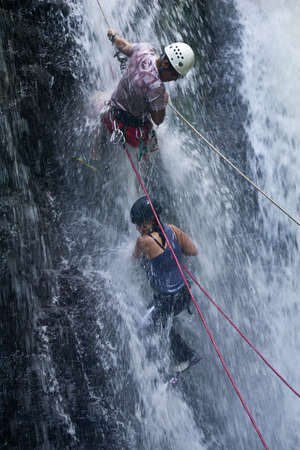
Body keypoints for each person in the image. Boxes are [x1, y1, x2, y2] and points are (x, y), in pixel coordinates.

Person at [91, 30, 195, 160]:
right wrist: (164, 101)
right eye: (175, 75)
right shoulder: (157, 88)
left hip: (111, 114)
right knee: (150, 140)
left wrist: (114, 37)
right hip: (131, 132)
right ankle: (144, 161)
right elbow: (158, 119)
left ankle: (94, 154)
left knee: (96, 98)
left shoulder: (144, 50)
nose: (174, 80)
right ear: (165, 64)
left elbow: (124, 46)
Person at [131, 196, 199, 368]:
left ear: (151, 220)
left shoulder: (143, 241)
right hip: (185, 295)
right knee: (161, 323)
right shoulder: (173, 230)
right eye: (137, 225)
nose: (139, 228)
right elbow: (192, 250)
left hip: (167, 300)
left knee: (142, 325)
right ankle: (178, 360)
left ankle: (176, 362)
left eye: (141, 224)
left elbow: (134, 258)